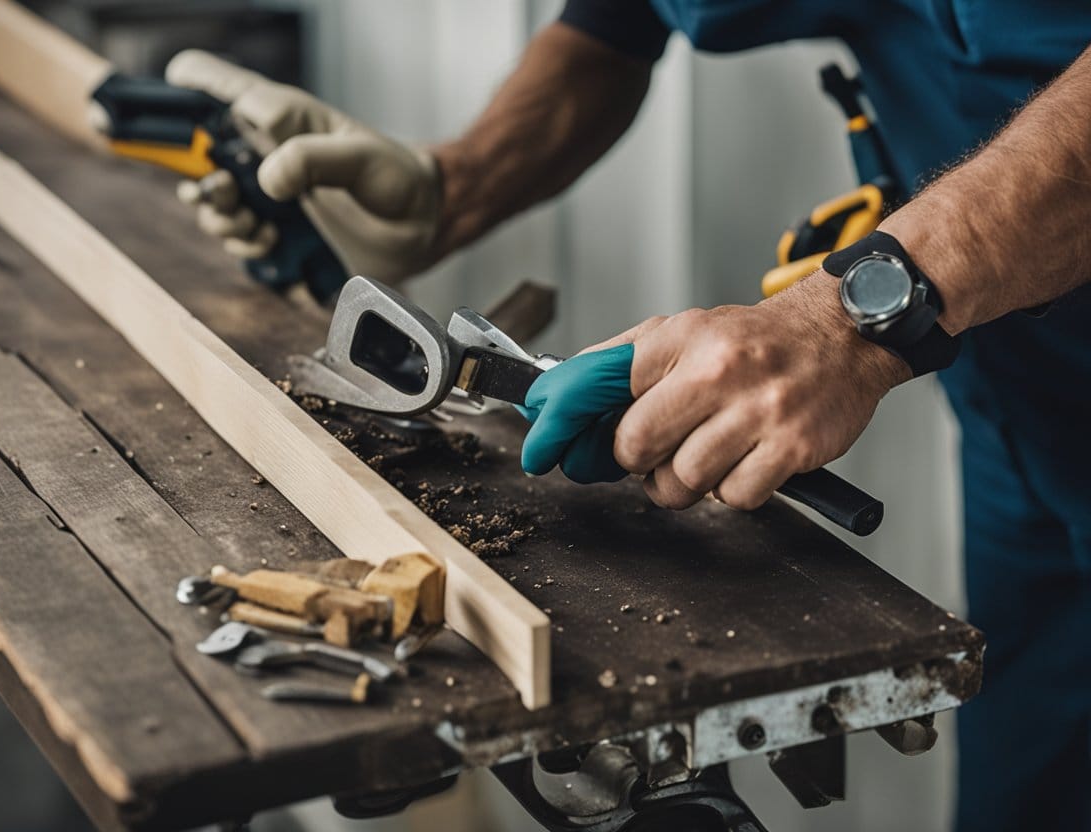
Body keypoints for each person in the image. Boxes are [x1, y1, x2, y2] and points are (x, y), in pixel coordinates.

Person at [166, 2, 1091, 828]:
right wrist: (462, 181)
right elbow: (626, 16)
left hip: (957, 299)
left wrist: (853, 316)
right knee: (1028, 780)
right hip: (1019, 389)